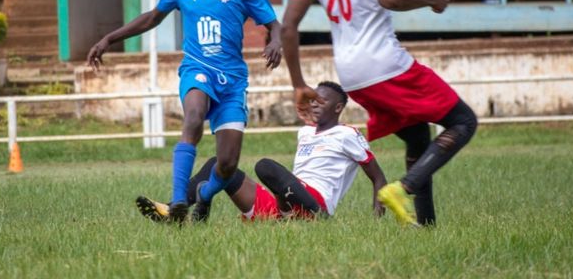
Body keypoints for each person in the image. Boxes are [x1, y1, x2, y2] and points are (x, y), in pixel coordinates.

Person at [280, 0, 478, 227]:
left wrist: (298, 84)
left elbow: (288, 27)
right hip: (384, 63)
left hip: (351, 75)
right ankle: (402, 188)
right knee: (463, 121)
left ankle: (426, 226)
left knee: (418, 135)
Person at [87, 0, 282, 223]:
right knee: (193, 117)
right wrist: (109, 39)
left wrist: (276, 41)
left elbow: (274, 24)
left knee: (227, 164)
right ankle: (179, 199)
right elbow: (152, 17)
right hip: (197, 69)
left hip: (232, 81)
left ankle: (204, 194)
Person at [136, 81, 387, 221]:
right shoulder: (305, 132)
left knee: (265, 166)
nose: (315, 104)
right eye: (312, 100)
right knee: (219, 165)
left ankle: (319, 218)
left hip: (314, 201)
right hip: (285, 199)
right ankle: (172, 209)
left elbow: (378, 178)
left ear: (338, 107)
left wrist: (378, 218)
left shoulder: (347, 134)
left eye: (322, 101)